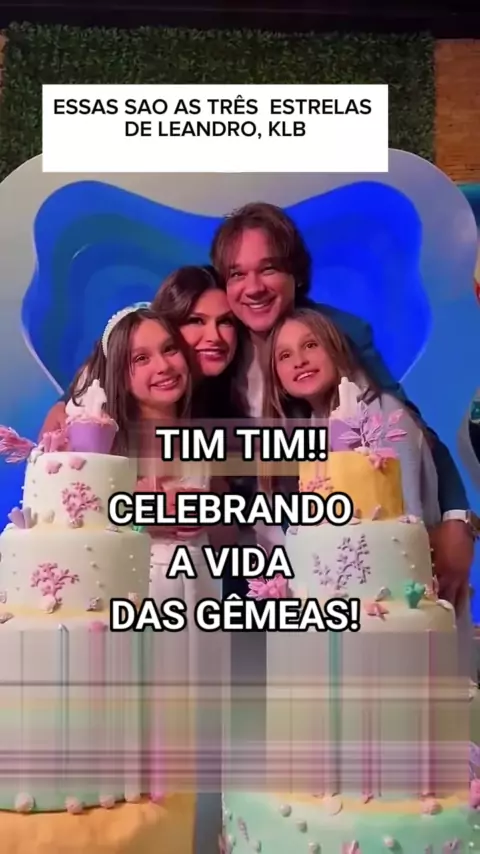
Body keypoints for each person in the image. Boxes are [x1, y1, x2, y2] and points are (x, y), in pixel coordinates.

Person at [209, 201, 476, 610]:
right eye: (237, 274)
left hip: (332, 557)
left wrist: (457, 518)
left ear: (295, 273)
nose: (254, 287)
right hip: (243, 558)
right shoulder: (215, 344)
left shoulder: (340, 333)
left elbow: (408, 423)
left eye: (269, 268)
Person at [261, 306, 474, 677]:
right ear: (276, 378)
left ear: (337, 349)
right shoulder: (310, 428)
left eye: (311, 345)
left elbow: (407, 521)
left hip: (403, 607)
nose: (299, 360)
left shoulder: (384, 415)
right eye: (284, 355)